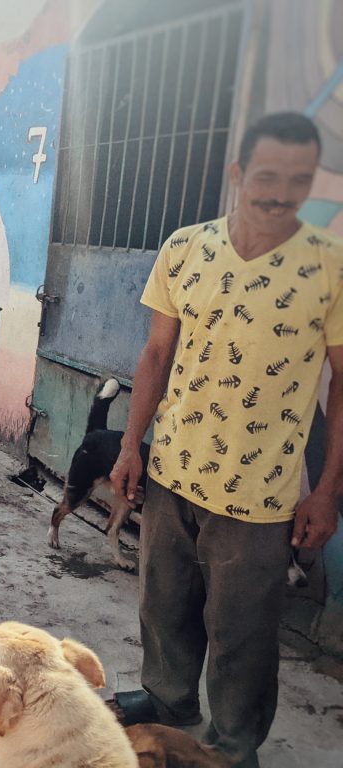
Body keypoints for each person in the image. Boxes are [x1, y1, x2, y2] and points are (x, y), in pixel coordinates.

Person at [108, 112, 342, 767]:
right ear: (238, 173)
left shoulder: (330, 265)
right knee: (162, 609)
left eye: (298, 180)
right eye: (266, 175)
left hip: (261, 497)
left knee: (242, 638)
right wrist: (132, 446)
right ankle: (170, 709)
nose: (280, 192)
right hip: (172, 472)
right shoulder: (186, 248)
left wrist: (326, 491)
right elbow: (157, 355)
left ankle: (234, 749)